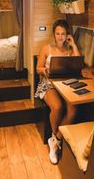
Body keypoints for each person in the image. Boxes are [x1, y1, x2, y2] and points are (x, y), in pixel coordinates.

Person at [35, 19, 80, 164]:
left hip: (65, 84)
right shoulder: (46, 48)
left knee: (73, 110)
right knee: (58, 107)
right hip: (48, 84)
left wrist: (73, 45)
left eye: (63, 34)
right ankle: (55, 139)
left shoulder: (68, 50)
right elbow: (38, 69)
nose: (60, 36)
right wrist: (45, 70)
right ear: (54, 34)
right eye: (58, 33)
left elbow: (78, 62)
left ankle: (55, 140)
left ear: (67, 35)